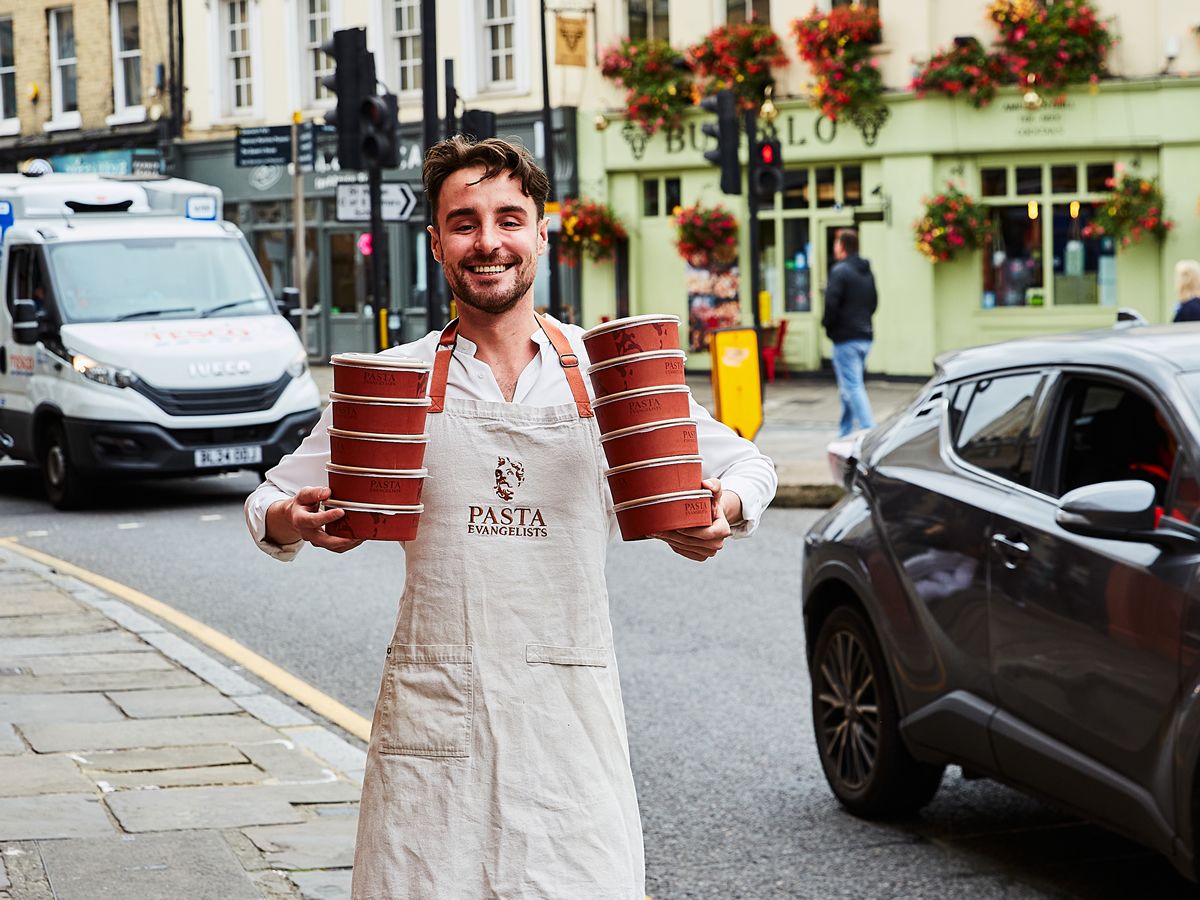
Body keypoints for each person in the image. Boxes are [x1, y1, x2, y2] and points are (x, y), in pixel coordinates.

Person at [243, 136, 777, 899]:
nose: (487, 241)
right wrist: (295, 519)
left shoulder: (607, 376)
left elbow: (749, 466)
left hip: (571, 726)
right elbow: (264, 498)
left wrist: (721, 509)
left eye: (508, 218)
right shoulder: (392, 384)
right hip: (435, 727)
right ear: (436, 243)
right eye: (464, 222)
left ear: (541, 232)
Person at [822, 228, 878, 437]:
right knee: (849, 386)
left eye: (836, 243)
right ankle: (844, 432)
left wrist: (828, 326)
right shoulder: (866, 271)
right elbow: (874, 302)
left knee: (852, 386)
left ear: (842, 246)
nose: (834, 247)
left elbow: (831, 304)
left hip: (846, 338)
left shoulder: (840, 271)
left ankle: (869, 429)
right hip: (865, 335)